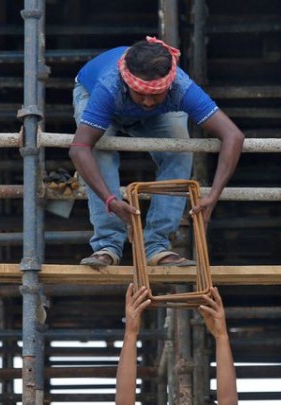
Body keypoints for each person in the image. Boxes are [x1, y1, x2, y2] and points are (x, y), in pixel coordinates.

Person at [69, 37, 245, 268]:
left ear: (169, 84)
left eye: (156, 94)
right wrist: (110, 200)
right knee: (100, 149)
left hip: (153, 113)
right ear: (127, 82)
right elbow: (80, 148)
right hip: (92, 94)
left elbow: (233, 135)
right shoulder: (109, 86)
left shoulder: (181, 86)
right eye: (141, 93)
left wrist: (213, 196)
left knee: (180, 149)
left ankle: (157, 246)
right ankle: (107, 246)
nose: (149, 101)